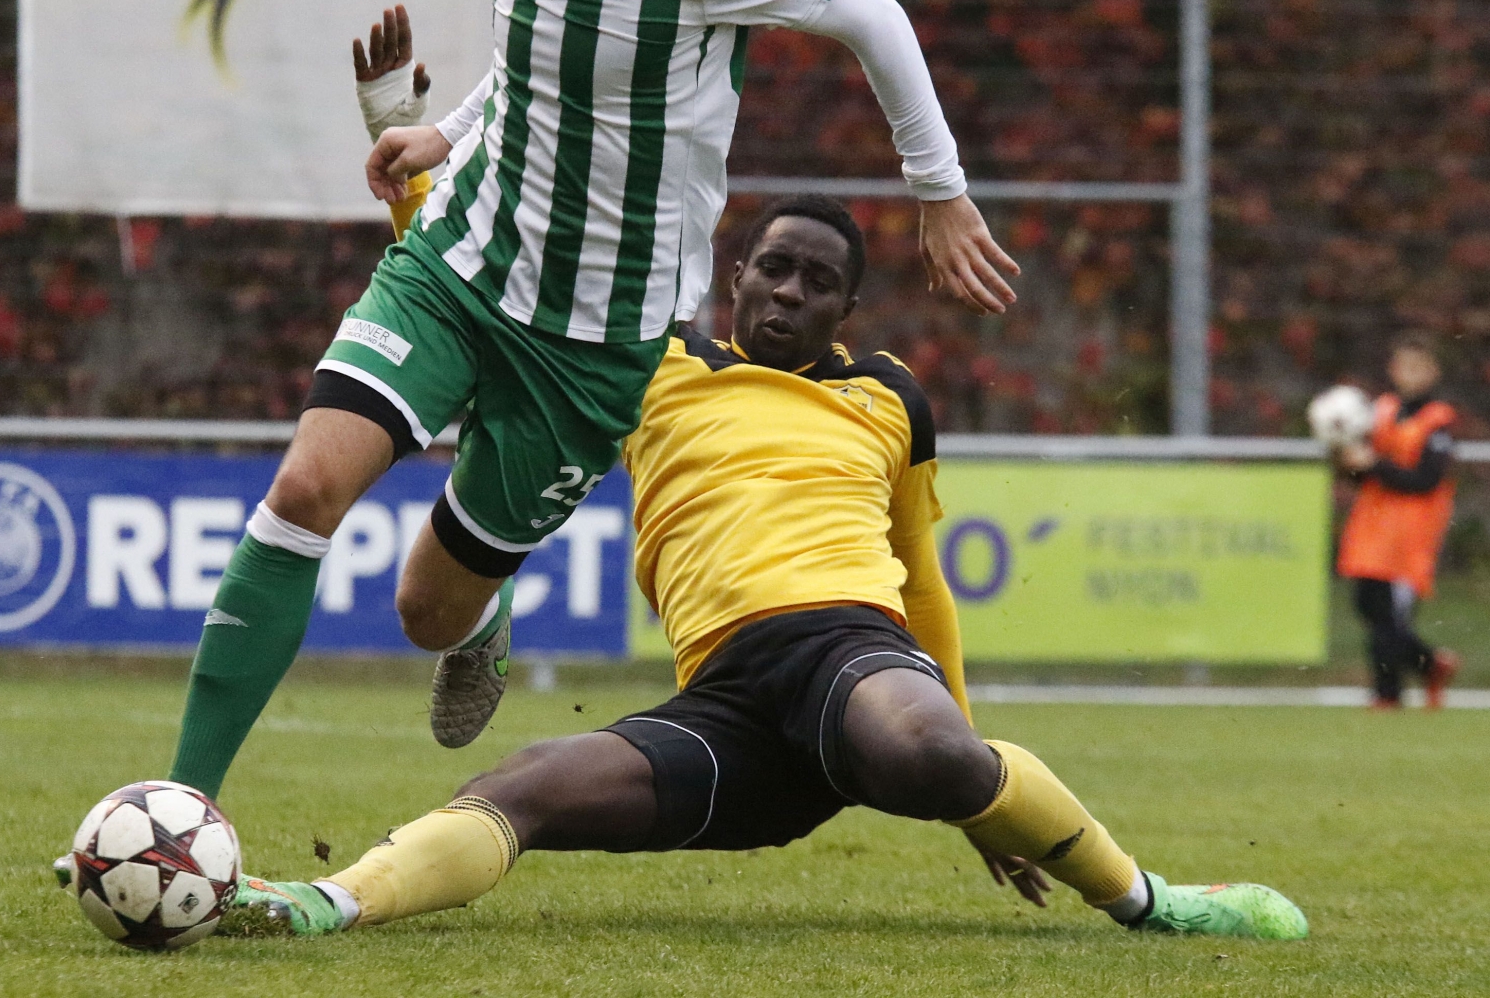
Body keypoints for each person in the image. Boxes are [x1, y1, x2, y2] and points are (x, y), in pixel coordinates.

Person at [166, 0, 1021, 802]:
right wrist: (443, 133)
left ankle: (480, 625)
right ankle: (179, 808)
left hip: (594, 350)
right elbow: (536, 60)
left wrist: (940, 191)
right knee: (305, 492)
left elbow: (875, 16)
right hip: (460, 272)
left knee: (426, 613)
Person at [212, 199, 1306, 941]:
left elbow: (922, 584)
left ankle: (1155, 904)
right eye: (773, 268)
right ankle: (318, 903)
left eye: (817, 281)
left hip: (850, 649)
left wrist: (971, 772)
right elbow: (491, 310)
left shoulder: (890, 397)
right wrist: (411, 201)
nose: (788, 292)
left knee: (934, 757)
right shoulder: (658, 365)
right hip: (725, 704)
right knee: (523, 787)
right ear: (738, 275)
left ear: (846, 310)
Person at [1335, 333, 1462, 710]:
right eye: (1405, 366)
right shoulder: (1381, 411)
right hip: (1372, 528)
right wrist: (1349, 459)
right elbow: (1361, 477)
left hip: (1410, 535)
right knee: (1368, 607)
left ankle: (1387, 694)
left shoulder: (1437, 421)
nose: (1411, 375)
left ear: (1433, 372)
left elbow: (1425, 481)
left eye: (1419, 367)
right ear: (1393, 370)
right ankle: (1430, 664)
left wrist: (1374, 463)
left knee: (1391, 617)